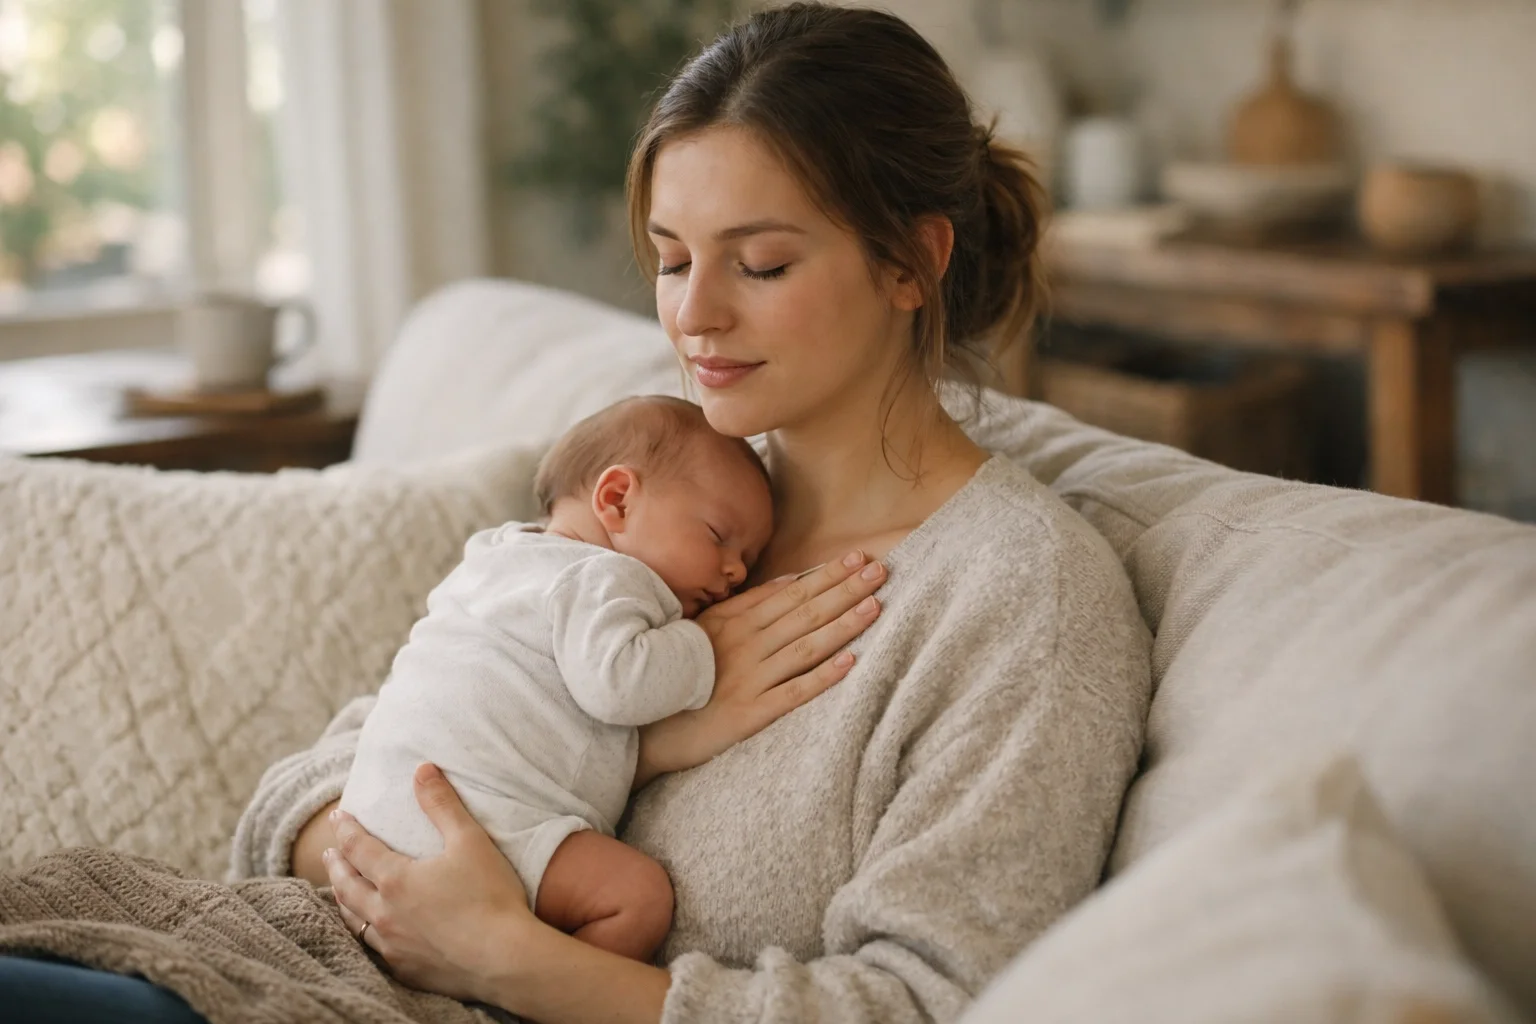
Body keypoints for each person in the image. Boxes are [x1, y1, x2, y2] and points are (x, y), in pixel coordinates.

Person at [0, 4, 1151, 1022]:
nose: (693, 316)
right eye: (671, 260)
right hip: (267, 958)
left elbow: (929, 1004)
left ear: (911, 263)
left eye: (758, 264)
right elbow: (327, 774)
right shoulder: (670, 494)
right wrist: (581, 768)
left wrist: (506, 955)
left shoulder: (1023, 600)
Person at [340, 396, 775, 963]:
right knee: (637, 899)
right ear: (617, 500)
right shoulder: (601, 577)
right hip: (479, 820)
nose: (736, 571)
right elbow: (618, 685)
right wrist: (705, 644)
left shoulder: (495, 556)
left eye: (749, 559)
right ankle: (523, 997)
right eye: (718, 536)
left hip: (377, 810)